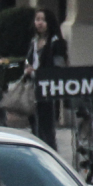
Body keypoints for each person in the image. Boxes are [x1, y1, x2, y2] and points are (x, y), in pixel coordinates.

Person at [27, 8, 68, 148]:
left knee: (47, 126)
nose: (39, 23)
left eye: (43, 20)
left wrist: (40, 72)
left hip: (48, 90)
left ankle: (50, 151)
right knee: (34, 124)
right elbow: (29, 60)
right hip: (33, 89)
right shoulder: (33, 41)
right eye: (37, 20)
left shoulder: (56, 42)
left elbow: (59, 66)